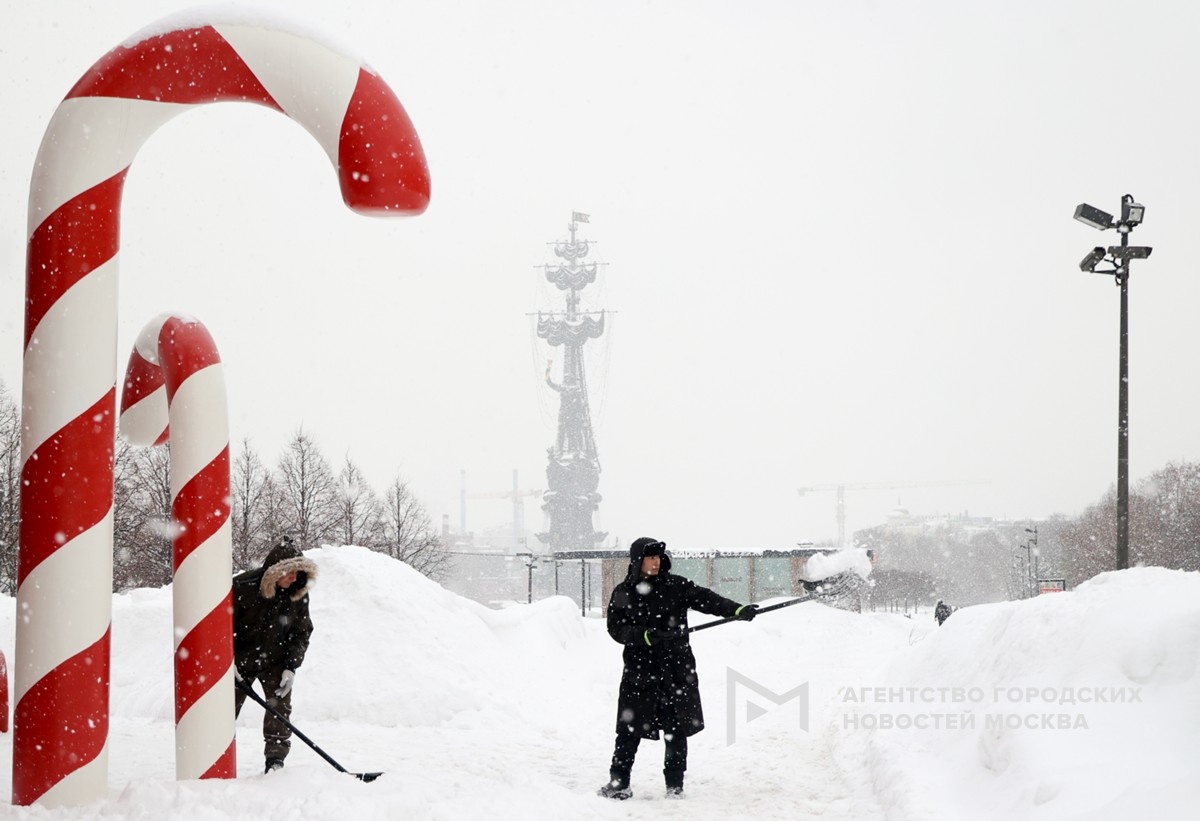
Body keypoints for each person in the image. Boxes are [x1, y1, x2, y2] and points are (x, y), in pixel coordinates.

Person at [597, 537, 760, 801]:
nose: (656, 561)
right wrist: (643, 636)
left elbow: (708, 600)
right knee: (628, 732)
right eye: (650, 557)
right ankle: (619, 783)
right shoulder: (623, 592)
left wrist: (736, 609)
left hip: (675, 671)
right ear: (638, 561)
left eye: (659, 557)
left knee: (676, 731)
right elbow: (615, 628)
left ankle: (675, 786)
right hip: (640, 674)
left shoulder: (676, 586)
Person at [233, 536, 318, 773]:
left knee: (279, 710)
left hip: (276, 661)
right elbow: (221, 626)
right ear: (274, 572)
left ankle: (275, 761)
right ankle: (215, 754)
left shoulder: (297, 594)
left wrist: (291, 666)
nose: (294, 579)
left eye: (298, 574)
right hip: (239, 661)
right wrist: (226, 661)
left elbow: (302, 632)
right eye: (290, 573)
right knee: (223, 711)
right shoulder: (243, 587)